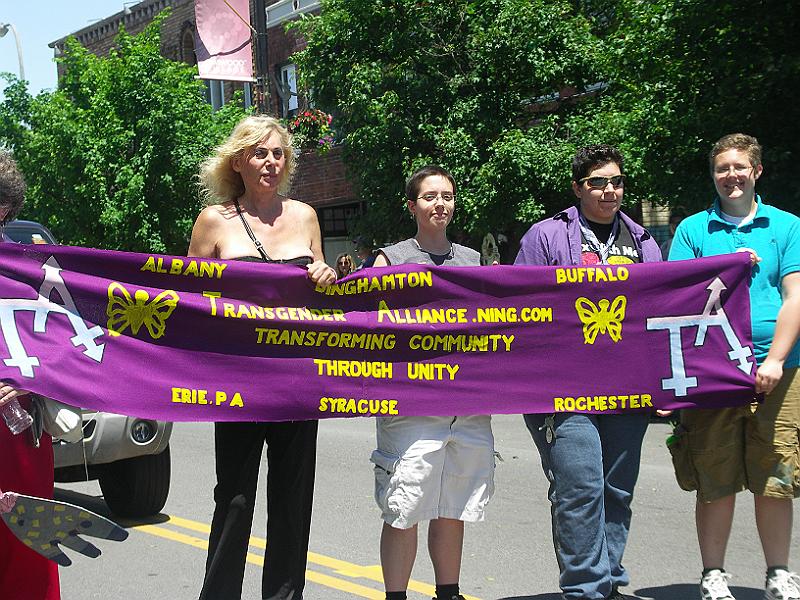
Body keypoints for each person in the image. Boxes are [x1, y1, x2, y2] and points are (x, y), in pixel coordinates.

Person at [188, 115, 337, 600]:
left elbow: (324, 297)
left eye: (278, 153)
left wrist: (326, 275)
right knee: (234, 500)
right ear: (238, 162)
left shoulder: (306, 216)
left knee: (293, 503)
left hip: (298, 381)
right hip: (238, 383)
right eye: (260, 153)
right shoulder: (213, 221)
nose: (271, 162)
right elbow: (188, 302)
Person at [514, 144, 661, 600]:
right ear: (578, 188)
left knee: (617, 490)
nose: (609, 190)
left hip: (628, 386)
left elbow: (661, 310)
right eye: (598, 182)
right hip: (564, 389)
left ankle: (609, 581)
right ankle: (585, 589)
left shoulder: (643, 241)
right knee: (579, 488)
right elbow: (519, 307)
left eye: (616, 181)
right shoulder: (545, 237)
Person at [668, 133, 800, 600]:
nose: (731, 176)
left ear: (756, 171)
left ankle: (779, 573)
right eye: (722, 168)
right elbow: (677, 297)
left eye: (739, 167)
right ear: (713, 174)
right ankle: (713, 575)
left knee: (775, 474)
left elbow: (794, 296)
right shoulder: (693, 231)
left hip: (780, 371)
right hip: (713, 371)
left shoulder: (786, 226)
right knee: (714, 474)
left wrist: (776, 360)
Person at [370, 165, 495, 600]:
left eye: (447, 196)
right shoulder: (390, 259)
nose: (439, 204)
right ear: (412, 205)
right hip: (411, 407)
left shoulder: (474, 261)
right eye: (429, 196)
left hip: (467, 406)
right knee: (403, 507)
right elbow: (370, 328)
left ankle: (449, 592)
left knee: (453, 505)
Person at [0, 150, 61, 600]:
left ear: (3, 207)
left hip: (16, 431)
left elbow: (63, 344)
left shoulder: (30, 272)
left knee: (26, 553)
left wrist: (28, 378)